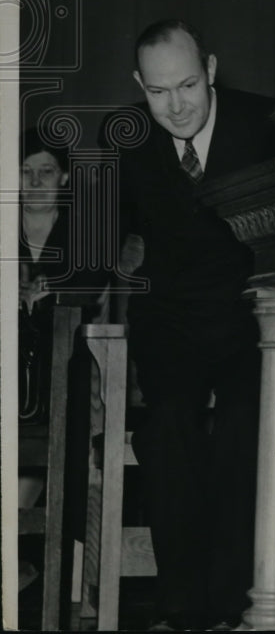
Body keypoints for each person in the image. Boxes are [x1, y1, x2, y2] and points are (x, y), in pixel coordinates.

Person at [107, 19, 275, 632]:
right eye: (158, 93)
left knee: (244, 429)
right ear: (139, 86)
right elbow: (93, 240)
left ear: (209, 69)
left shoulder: (266, 124)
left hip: (250, 313)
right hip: (171, 318)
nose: (175, 106)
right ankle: (181, 611)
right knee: (169, 426)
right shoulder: (124, 140)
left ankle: (233, 608)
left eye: (186, 85)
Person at [18, 129, 106, 592]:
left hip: (64, 364)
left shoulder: (81, 226)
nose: (34, 181)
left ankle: (25, 555)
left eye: (45, 172)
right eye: (24, 172)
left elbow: (90, 286)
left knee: (63, 391)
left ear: (64, 177)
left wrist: (52, 294)